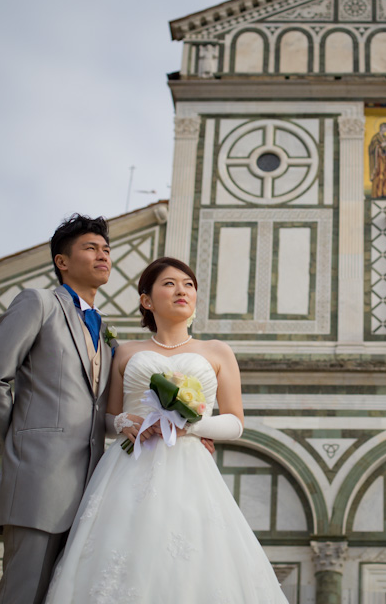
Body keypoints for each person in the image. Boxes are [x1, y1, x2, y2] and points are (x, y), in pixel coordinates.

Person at [46, 257, 288, 603]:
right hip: (128, 468)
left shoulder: (216, 350)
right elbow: (108, 416)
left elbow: (235, 422)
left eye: (189, 285)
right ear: (147, 300)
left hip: (190, 468)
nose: (182, 291)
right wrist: (124, 422)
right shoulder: (125, 351)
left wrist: (189, 424)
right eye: (170, 284)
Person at [0, 214, 118, 604]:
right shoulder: (38, 302)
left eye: (106, 250)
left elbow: (92, 410)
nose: (103, 255)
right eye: (91, 248)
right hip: (38, 479)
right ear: (62, 261)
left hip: (89, 488)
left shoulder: (104, 331)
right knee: (24, 593)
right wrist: (18, 445)